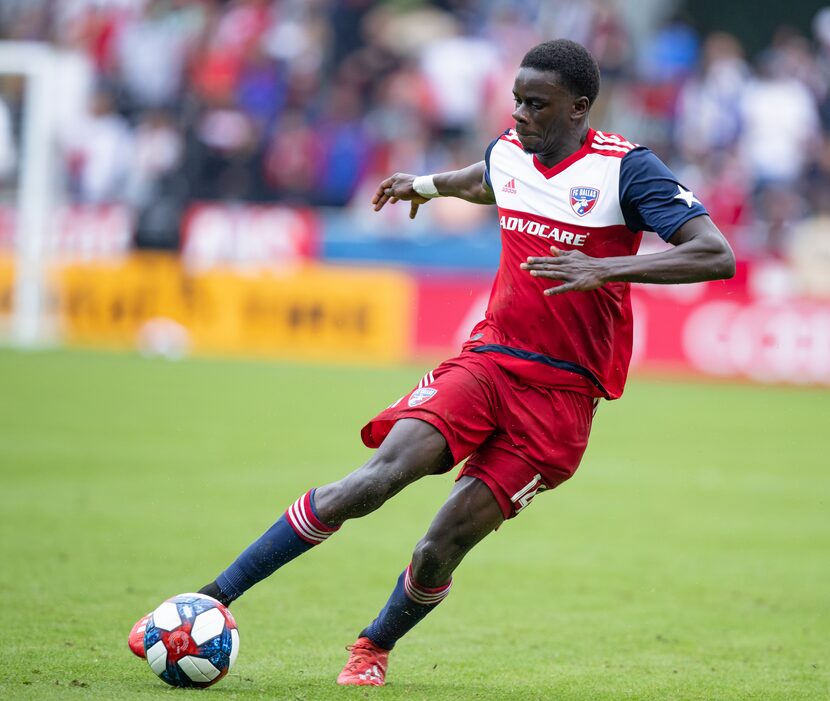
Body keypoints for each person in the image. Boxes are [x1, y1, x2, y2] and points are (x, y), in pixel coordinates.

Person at [129, 39, 735, 686]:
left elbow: (714, 253)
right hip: (490, 362)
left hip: (560, 405)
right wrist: (421, 186)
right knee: (371, 481)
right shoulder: (511, 151)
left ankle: (373, 645)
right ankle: (209, 597)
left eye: (538, 105)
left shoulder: (627, 170)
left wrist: (605, 267)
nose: (521, 116)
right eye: (517, 101)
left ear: (579, 108)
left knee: (438, 546)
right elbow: (484, 178)